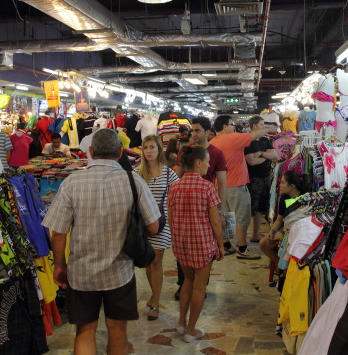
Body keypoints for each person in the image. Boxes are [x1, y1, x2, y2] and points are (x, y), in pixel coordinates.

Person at [42, 129, 161, 355]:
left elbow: (58, 232)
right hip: (120, 273)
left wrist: (59, 266)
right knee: (117, 330)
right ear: (120, 152)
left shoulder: (71, 182)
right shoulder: (133, 181)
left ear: (90, 151)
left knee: (85, 331)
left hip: (81, 274)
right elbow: (154, 227)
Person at [169, 145, 224, 343]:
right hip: (202, 243)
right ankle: (191, 330)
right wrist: (221, 244)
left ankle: (181, 323)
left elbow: (171, 218)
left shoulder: (174, 187)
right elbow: (215, 221)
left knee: (187, 281)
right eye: (207, 162)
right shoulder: (207, 187)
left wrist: (177, 238)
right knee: (200, 287)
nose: (208, 166)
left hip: (181, 243)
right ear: (198, 163)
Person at [173, 116, 228, 300]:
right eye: (192, 130)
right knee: (183, 245)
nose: (194, 134)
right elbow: (177, 176)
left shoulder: (217, 153)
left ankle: (200, 286)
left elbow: (222, 183)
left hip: (207, 206)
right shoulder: (186, 152)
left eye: (197, 130)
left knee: (206, 247)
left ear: (207, 132)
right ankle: (184, 285)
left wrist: (220, 211)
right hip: (186, 205)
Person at [210, 115, 277, 260]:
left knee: (225, 216)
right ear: (225, 127)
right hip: (236, 184)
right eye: (231, 124)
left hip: (219, 186)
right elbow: (255, 135)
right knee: (242, 217)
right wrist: (270, 128)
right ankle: (242, 248)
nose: (234, 127)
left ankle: (226, 244)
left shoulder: (213, 142)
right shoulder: (233, 138)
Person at [134, 135, 179, 321]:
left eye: (152, 147)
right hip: (143, 224)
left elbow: (176, 198)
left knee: (156, 260)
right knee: (147, 260)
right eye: (145, 147)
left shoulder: (169, 174)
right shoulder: (137, 173)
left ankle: (156, 302)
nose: (148, 151)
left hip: (162, 223)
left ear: (159, 149)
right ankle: (154, 294)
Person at [259, 171, 308, 264]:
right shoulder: (284, 198)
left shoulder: (306, 197)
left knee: (289, 246)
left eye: (282, 182)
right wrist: (272, 232)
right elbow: (279, 219)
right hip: (286, 230)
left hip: (300, 233)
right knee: (263, 244)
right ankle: (280, 265)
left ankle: (286, 266)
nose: (279, 185)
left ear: (292, 186)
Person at [245, 116, 279, 243]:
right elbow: (252, 161)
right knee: (250, 208)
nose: (264, 126)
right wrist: (266, 156)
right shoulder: (247, 141)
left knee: (261, 207)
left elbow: (275, 155)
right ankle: (243, 237)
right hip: (252, 178)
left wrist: (261, 154)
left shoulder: (265, 140)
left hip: (265, 177)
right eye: (262, 124)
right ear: (254, 126)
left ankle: (255, 234)